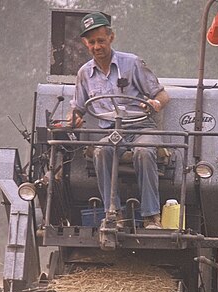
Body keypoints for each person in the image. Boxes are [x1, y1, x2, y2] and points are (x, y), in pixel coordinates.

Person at [69, 12, 169, 229]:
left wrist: (155, 104)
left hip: (143, 127)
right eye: (92, 42)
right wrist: (74, 119)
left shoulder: (132, 63)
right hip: (112, 132)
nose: (97, 46)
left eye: (101, 41)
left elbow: (162, 95)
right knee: (100, 151)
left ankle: (151, 216)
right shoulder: (84, 74)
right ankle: (114, 213)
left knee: (143, 151)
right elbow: (78, 108)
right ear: (86, 43)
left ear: (111, 38)